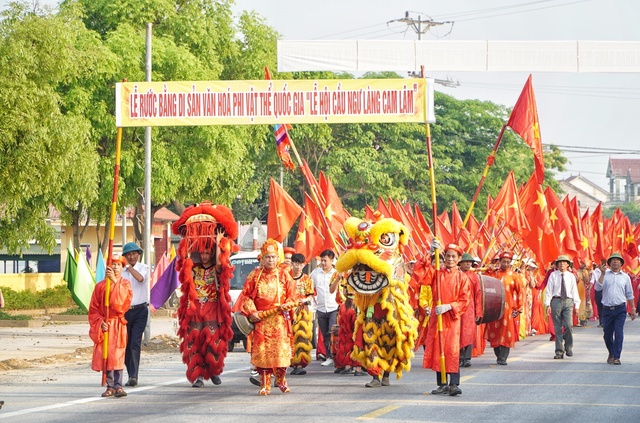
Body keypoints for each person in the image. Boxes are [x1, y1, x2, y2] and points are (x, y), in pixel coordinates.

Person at [171, 201, 239, 388]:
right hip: (195, 308)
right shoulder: (194, 268)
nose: (205, 256)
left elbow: (220, 264)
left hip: (212, 308)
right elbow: (184, 264)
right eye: (203, 253)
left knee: (212, 341)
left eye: (208, 253)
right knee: (195, 341)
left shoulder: (216, 269)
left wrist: (217, 243)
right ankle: (198, 375)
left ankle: (213, 371)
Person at [240, 239, 298, 395]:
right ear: (262, 258)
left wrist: (288, 304)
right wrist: (253, 312)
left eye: (273, 257)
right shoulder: (254, 275)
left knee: (281, 352)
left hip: (279, 320)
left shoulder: (284, 275)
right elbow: (246, 297)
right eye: (267, 257)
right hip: (262, 320)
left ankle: (281, 380)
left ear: (277, 258)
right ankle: (264, 384)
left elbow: (294, 295)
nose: (270, 260)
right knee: (263, 353)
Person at [421, 243, 470, 396]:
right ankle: (442, 383)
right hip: (437, 317)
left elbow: (464, 300)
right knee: (438, 348)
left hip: (452, 318)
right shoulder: (437, 273)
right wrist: (430, 256)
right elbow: (422, 277)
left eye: (453, 256)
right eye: (447, 256)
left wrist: (449, 306)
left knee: (452, 349)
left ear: (459, 259)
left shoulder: (462, 277)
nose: (450, 259)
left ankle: (454, 383)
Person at [88, 254, 133, 398]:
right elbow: (93, 309)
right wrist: (101, 322)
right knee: (106, 354)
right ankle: (109, 385)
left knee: (118, 355)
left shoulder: (125, 284)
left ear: (122, 267)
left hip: (118, 324)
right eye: (112, 264)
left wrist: (114, 283)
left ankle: (118, 385)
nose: (115, 267)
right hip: (106, 324)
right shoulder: (100, 286)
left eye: (118, 264)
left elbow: (121, 305)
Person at [595, 253, 636, 365]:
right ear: (609, 263)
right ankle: (611, 352)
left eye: (618, 260)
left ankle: (617, 356)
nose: (615, 262)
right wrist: (602, 274)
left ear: (621, 263)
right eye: (613, 260)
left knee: (619, 332)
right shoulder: (605, 275)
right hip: (607, 309)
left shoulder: (625, 277)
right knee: (607, 334)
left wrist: (633, 308)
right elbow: (598, 287)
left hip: (620, 309)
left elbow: (629, 294)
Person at [485, 251, 524, 365]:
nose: (506, 264)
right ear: (500, 262)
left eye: (508, 262)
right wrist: (488, 268)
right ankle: (498, 354)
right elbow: (484, 280)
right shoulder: (494, 274)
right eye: (504, 262)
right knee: (495, 331)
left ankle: (503, 357)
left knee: (506, 332)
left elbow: (520, 292)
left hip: (508, 308)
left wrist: (518, 308)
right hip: (494, 307)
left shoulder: (514, 276)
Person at [121, 242, 149, 388]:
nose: (131, 256)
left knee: (135, 343)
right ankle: (129, 371)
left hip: (140, 310)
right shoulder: (120, 271)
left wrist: (129, 268)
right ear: (124, 256)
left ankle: (134, 375)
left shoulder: (143, 268)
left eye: (134, 254)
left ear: (138, 254)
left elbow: (140, 279)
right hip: (125, 311)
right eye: (128, 254)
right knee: (125, 344)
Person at [544, 255, 580, 359]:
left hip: (568, 301)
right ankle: (559, 351)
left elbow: (574, 291)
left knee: (568, 325)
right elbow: (549, 291)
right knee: (558, 327)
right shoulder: (553, 275)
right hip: (556, 301)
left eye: (564, 262)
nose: (562, 264)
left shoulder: (571, 276)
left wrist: (577, 305)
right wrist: (547, 304)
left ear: (568, 264)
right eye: (560, 262)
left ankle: (568, 347)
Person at [311, 249, 338, 367]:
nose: (323, 263)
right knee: (325, 334)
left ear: (332, 261)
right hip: (321, 308)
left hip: (334, 307)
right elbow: (309, 288)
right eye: (321, 260)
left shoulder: (337, 273)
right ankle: (328, 356)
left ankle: (336, 356)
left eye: (325, 260)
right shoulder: (315, 273)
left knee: (333, 333)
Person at [290, 253, 315, 376]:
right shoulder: (286, 277)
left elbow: (310, 294)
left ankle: (299, 364)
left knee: (302, 337)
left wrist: (305, 300)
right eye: (296, 264)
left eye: (301, 264)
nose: (298, 266)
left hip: (302, 311)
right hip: (288, 311)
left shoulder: (307, 279)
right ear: (292, 263)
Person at [458, 253, 482, 368]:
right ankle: (458, 356)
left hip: (469, 309)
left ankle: (466, 358)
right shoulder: (455, 274)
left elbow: (478, 295)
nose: (468, 264)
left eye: (470, 262)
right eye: (466, 262)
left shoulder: (474, 276)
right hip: (457, 307)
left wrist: (479, 312)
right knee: (457, 332)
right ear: (460, 263)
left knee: (468, 333)